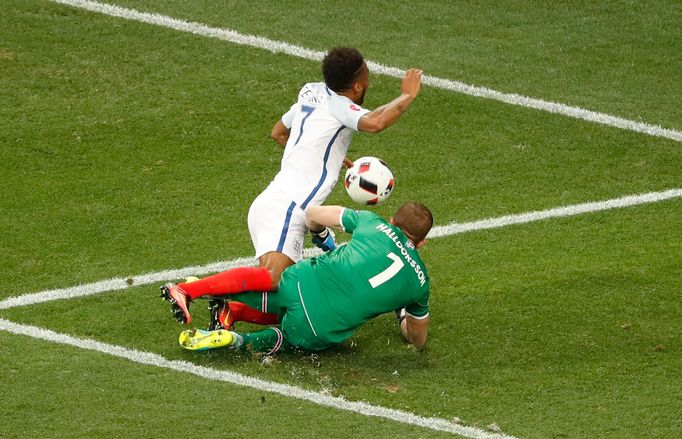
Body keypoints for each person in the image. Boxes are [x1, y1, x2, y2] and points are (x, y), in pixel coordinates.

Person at [161, 47, 423, 325]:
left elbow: (279, 132)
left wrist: (327, 153)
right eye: (367, 76)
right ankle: (188, 289)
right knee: (274, 280)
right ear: (358, 85)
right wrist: (407, 95)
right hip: (288, 208)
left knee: (294, 298)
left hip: (274, 201)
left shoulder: (311, 92)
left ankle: (229, 311)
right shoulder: (341, 107)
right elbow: (376, 122)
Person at [177, 202, 433, 354]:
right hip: (319, 325)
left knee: (279, 295)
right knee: (294, 335)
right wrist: (401, 314)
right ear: (421, 243)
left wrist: (320, 234)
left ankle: (208, 291)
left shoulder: (372, 222)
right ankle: (238, 340)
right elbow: (417, 340)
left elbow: (312, 214)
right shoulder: (420, 284)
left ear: (392, 220)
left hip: (299, 281)